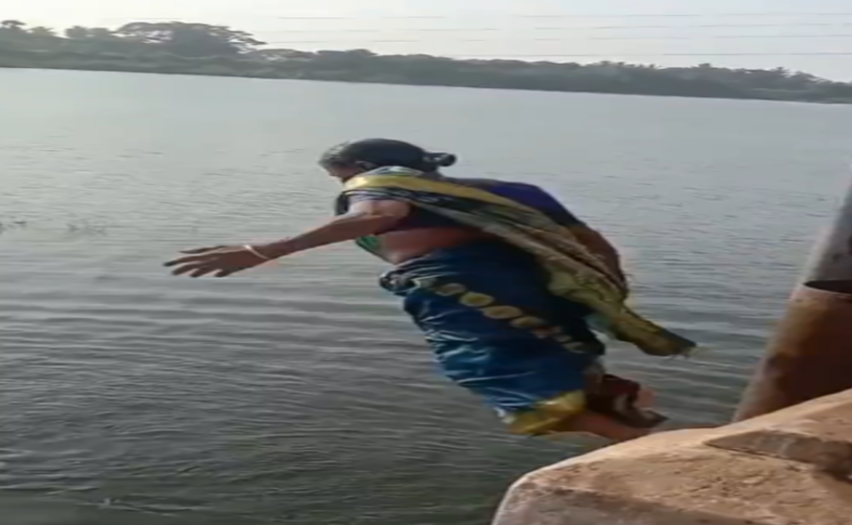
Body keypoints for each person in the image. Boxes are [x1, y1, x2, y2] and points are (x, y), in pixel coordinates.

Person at [165, 139, 696, 443]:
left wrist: (264, 251)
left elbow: (378, 216)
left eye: (340, 178)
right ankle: (620, 403)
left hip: (458, 284)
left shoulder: (378, 184)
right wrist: (609, 294)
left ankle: (635, 442)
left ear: (359, 168)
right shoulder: (511, 193)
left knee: (490, 367)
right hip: (534, 281)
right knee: (549, 347)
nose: (342, 189)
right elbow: (592, 243)